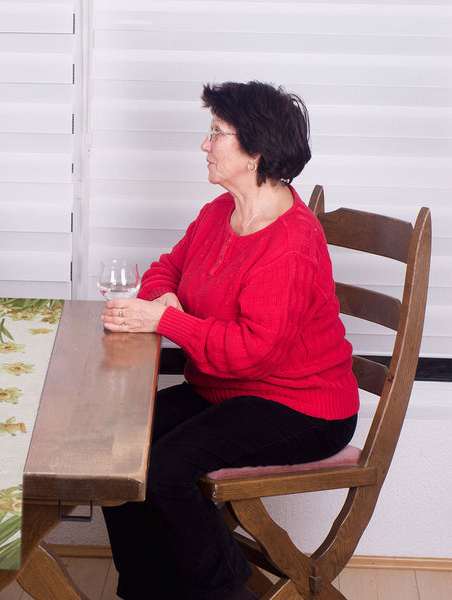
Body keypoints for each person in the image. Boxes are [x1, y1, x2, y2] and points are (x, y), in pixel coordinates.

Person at [99, 81, 359, 600]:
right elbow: (166, 267)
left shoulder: (290, 244)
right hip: (227, 388)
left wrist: (165, 321)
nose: (205, 144)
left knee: (167, 470)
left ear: (255, 152)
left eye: (217, 133)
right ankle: (147, 590)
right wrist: (163, 300)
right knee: (115, 446)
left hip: (300, 405)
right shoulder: (222, 212)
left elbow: (251, 352)